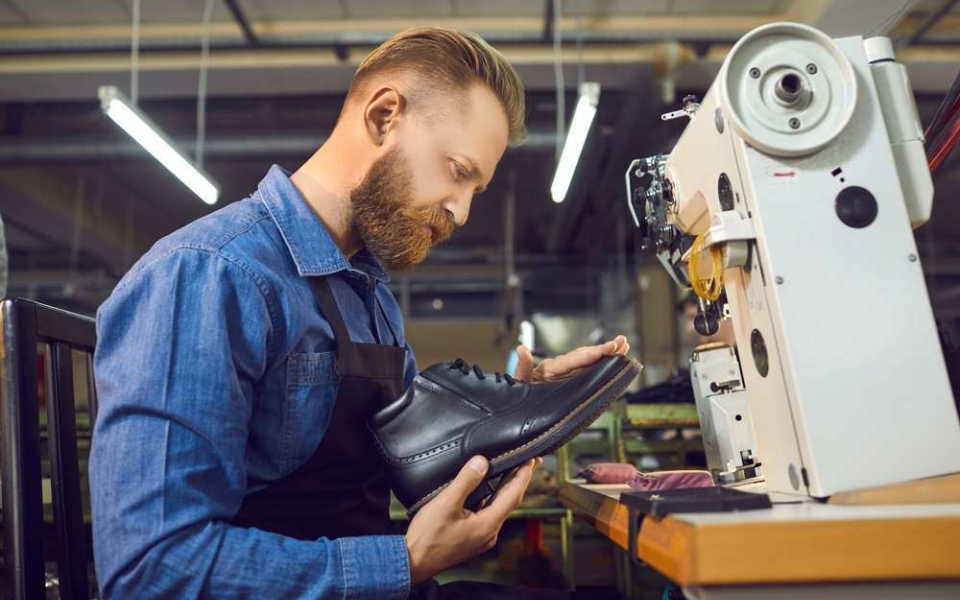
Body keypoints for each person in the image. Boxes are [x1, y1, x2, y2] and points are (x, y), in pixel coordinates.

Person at [90, 27, 629, 599]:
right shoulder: (207, 276)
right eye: (457, 170)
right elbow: (151, 570)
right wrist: (404, 562)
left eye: (477, 188)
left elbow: (412, 468)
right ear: (383, 116)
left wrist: (510, 416)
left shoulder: (366, 294)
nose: (463, 211)